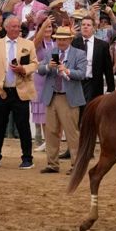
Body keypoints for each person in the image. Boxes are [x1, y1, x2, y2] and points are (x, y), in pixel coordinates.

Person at [0, 15, 38, 169]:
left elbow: (34, 64)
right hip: (0, 90)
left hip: (20, 91)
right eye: (13, 26)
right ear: (6, 28)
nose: (17, 29)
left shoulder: (28, 44)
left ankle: (27, 158)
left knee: (23, 126)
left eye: (18, 26)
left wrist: (23, 69)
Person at [37, 25, 86, 175]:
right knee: (51, 132)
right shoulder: (51, 52)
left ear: (70, 39)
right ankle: (52, 164)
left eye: (64, 39)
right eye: (59, 39)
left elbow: (82, 74)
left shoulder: (79, 54)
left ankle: (76, 164)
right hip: (52, 96)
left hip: (68, 97)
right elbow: (40, 70)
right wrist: (47, 66)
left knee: (72, 133)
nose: (61, 42)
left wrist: (67, 71)